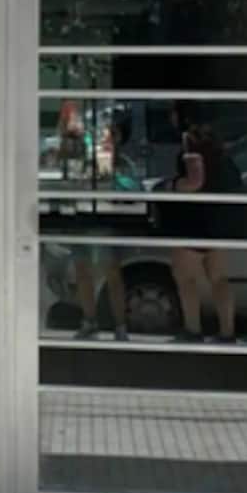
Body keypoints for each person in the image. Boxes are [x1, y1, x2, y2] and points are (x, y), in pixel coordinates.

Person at [166, 104, 238, 343]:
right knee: (219, 278)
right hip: (218, 220)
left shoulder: (190, 142)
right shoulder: (217, 143)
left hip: (193, 221)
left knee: (186, 278)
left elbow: (194, 181)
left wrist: (172, 186)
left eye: (173, 113)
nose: (170, 117)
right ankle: (227, 332)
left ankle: (192, 329)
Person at [72, 115, 140, 340]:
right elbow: (76, 184)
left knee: (112, 273)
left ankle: (120, 325)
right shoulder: (87, 160)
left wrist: (111, 176)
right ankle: (89, 320)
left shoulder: (124, 163)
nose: (104, 138)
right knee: (82, 270)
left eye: (109, 133)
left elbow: (133, 190)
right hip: (83, 219)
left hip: (106, 222)